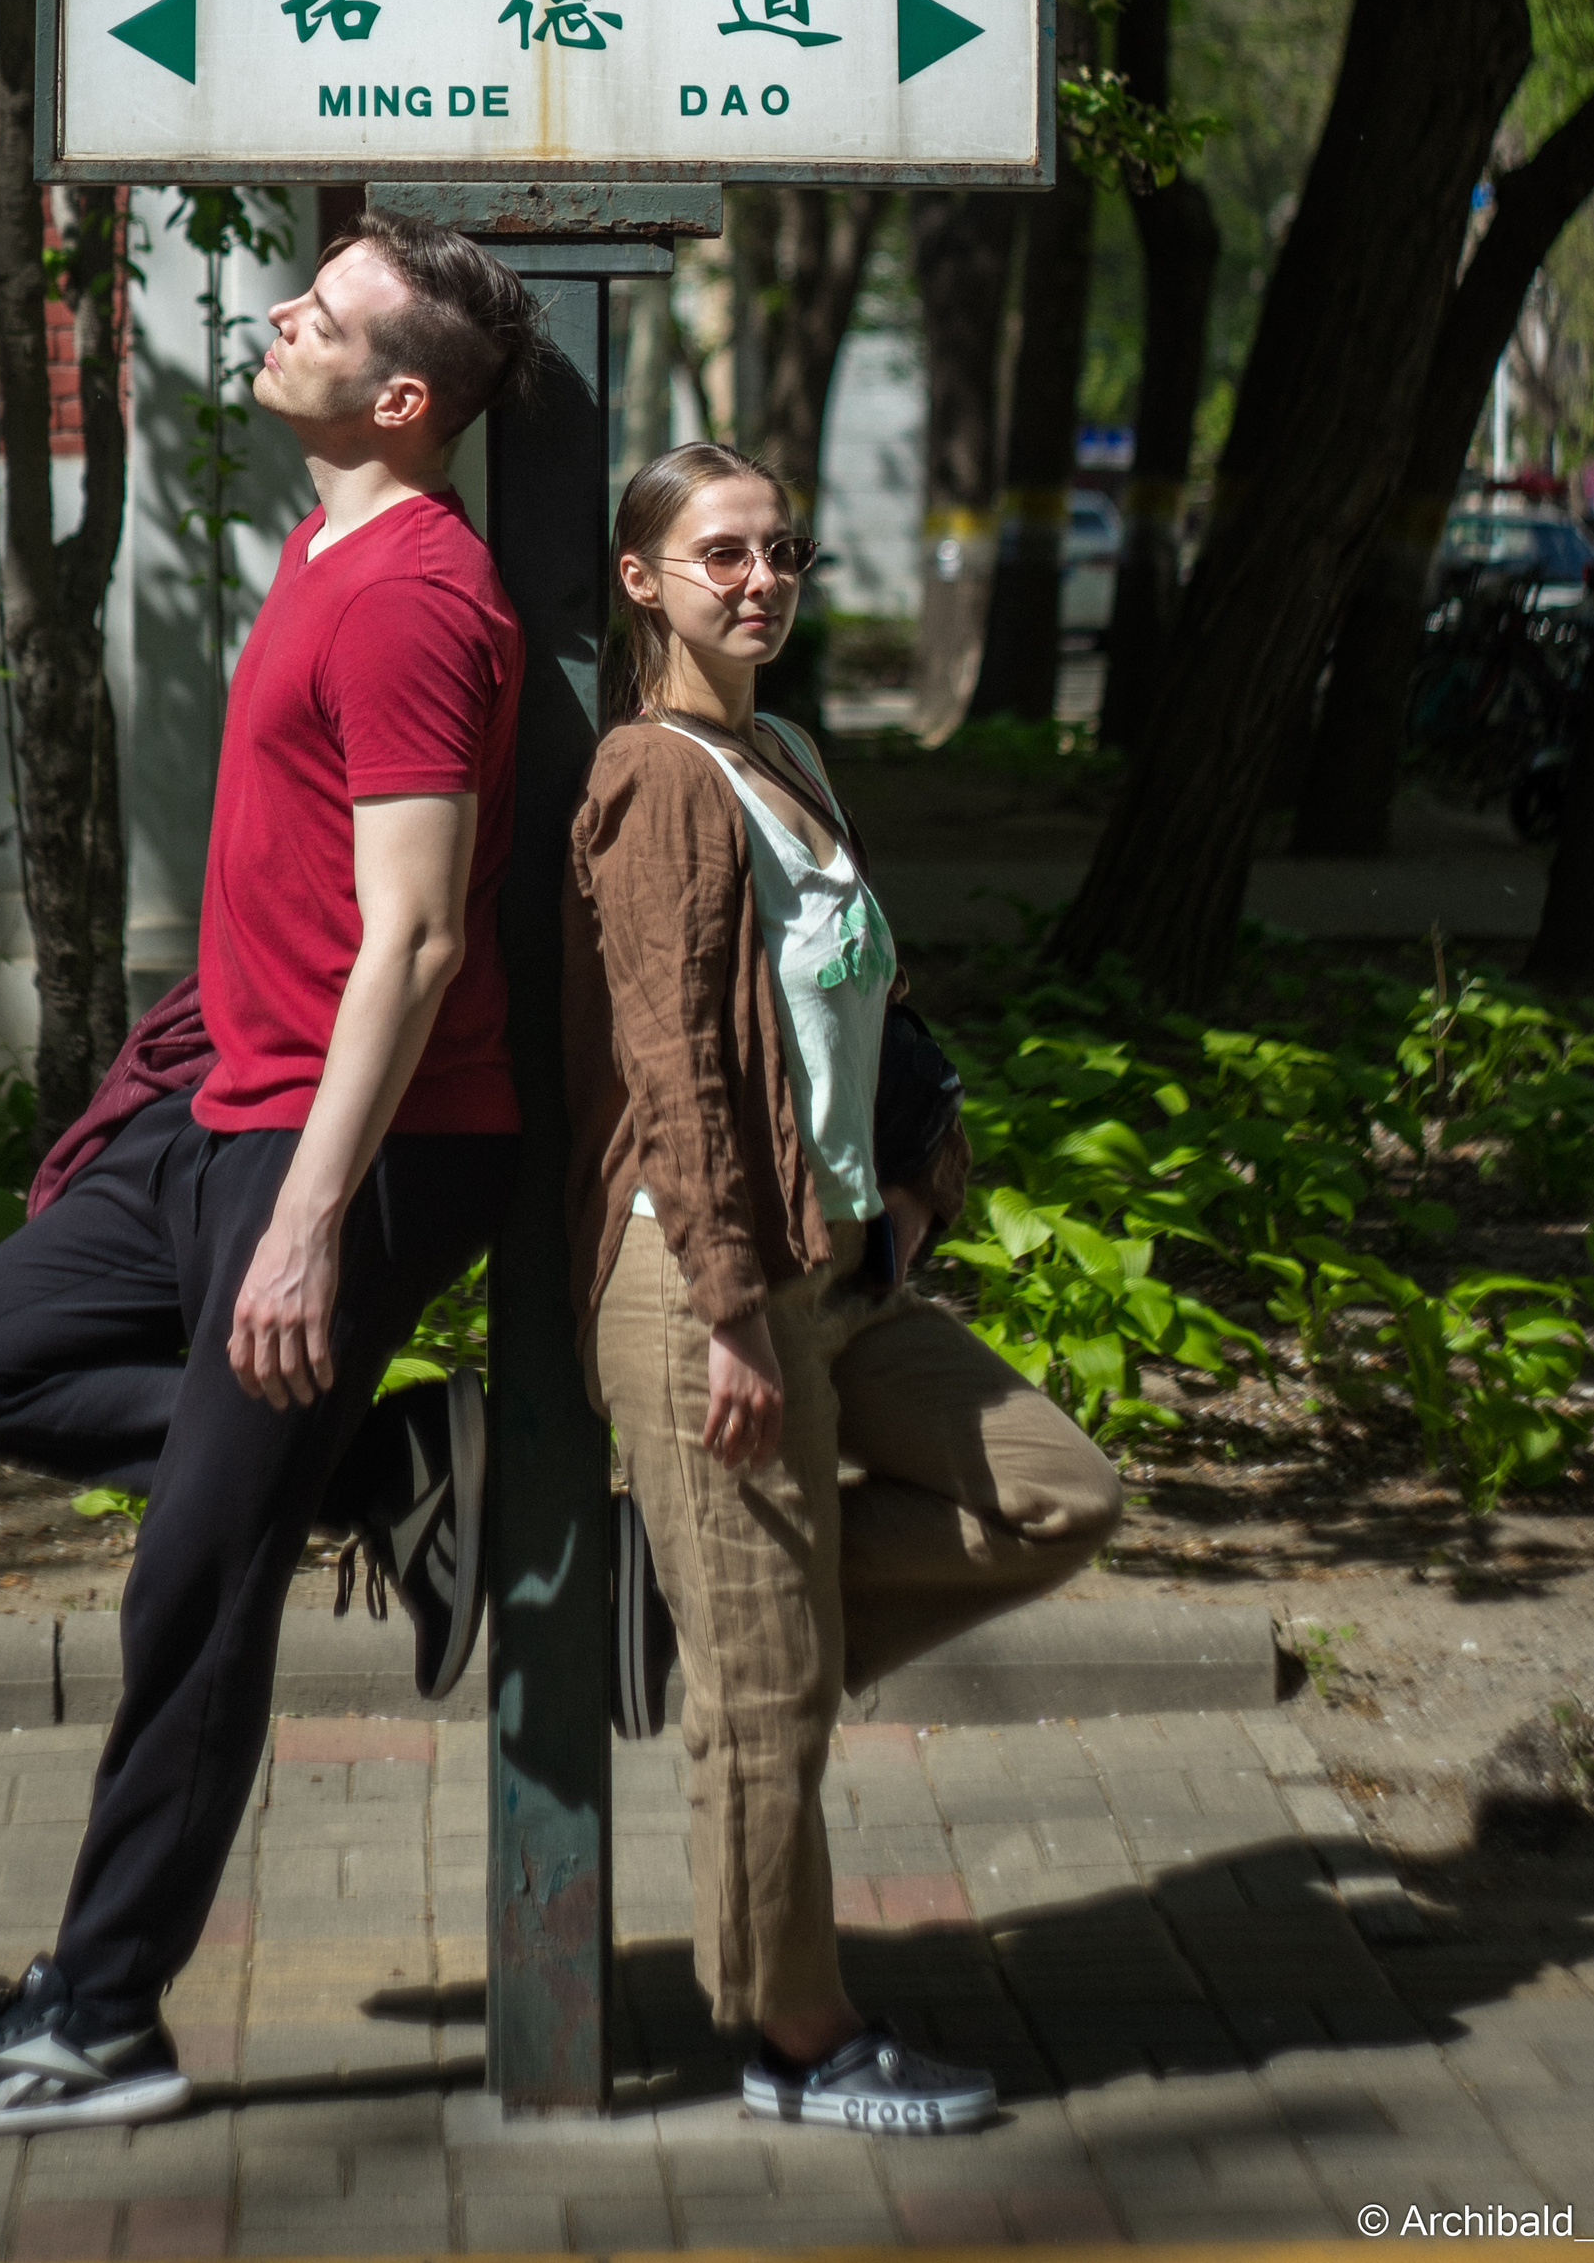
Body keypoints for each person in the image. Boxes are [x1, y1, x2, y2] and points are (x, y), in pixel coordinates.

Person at [0, 213, 543, 2138]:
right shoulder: (320, 546)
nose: (278, 319)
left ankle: (97, 2014)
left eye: (315, 315)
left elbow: (411, 943)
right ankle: (398, 1461)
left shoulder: (417, 593)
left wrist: (312, 1220)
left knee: (195, 1584)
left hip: (361, 1142)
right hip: (216, 1107)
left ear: (400, 400)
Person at [564, 440, 1122, 2136]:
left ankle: (730, 1632)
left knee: (1058, 1490)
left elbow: (847, 1013)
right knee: (766, 1694)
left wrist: (910, 1181)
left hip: (836, 1271)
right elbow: (672, 1060)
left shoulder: (786, 751)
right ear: (643, 580)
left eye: (780, 551)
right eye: (719, 554)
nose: (759, 579)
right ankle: (794, 2039)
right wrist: (731, 1301)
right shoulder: (653, 778)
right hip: (699, 1282)